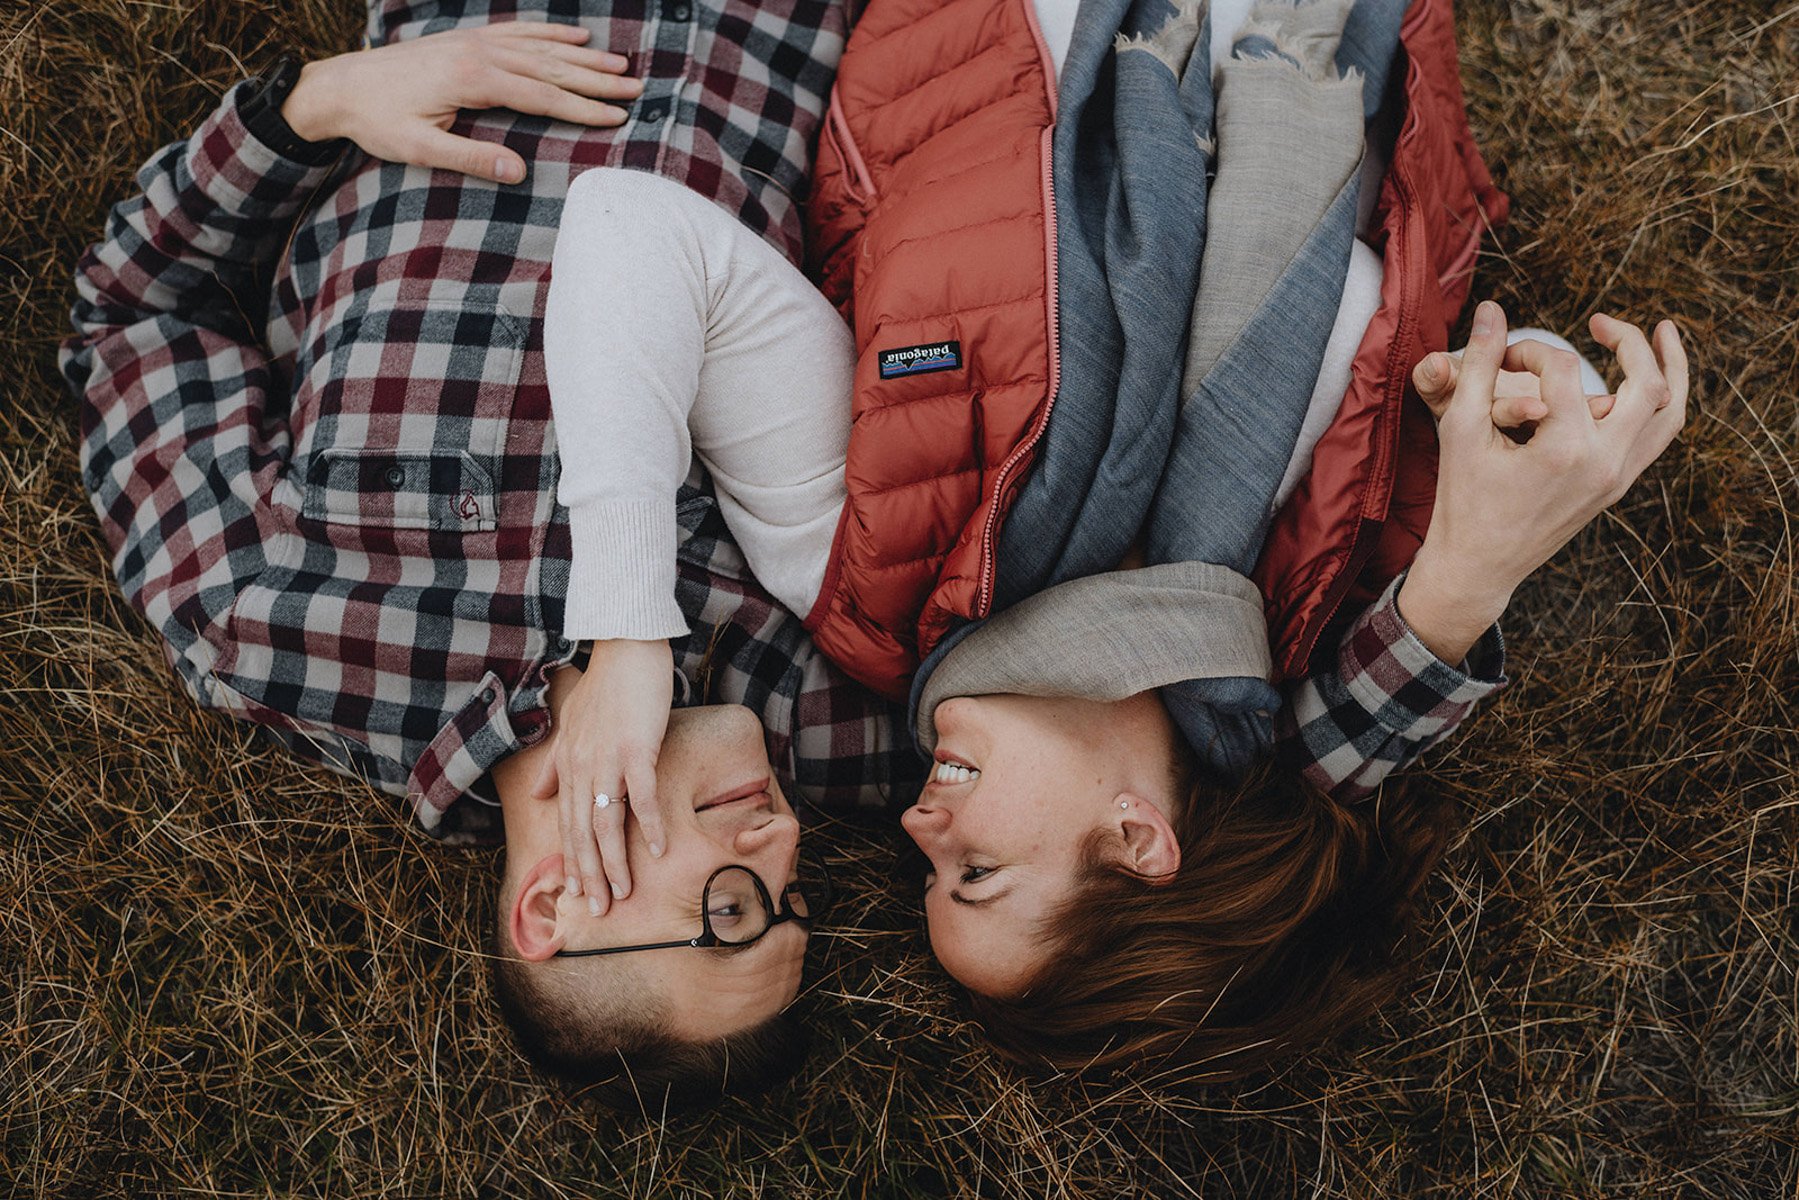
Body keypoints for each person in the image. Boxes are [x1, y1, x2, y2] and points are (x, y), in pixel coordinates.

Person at [61, 5, 919, 1109]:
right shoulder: (822, 712)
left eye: (733, 909)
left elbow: (127, 319)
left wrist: (319, 104)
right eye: (795, 899)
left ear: (551, 910)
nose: (780, 844)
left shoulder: (277, 629)